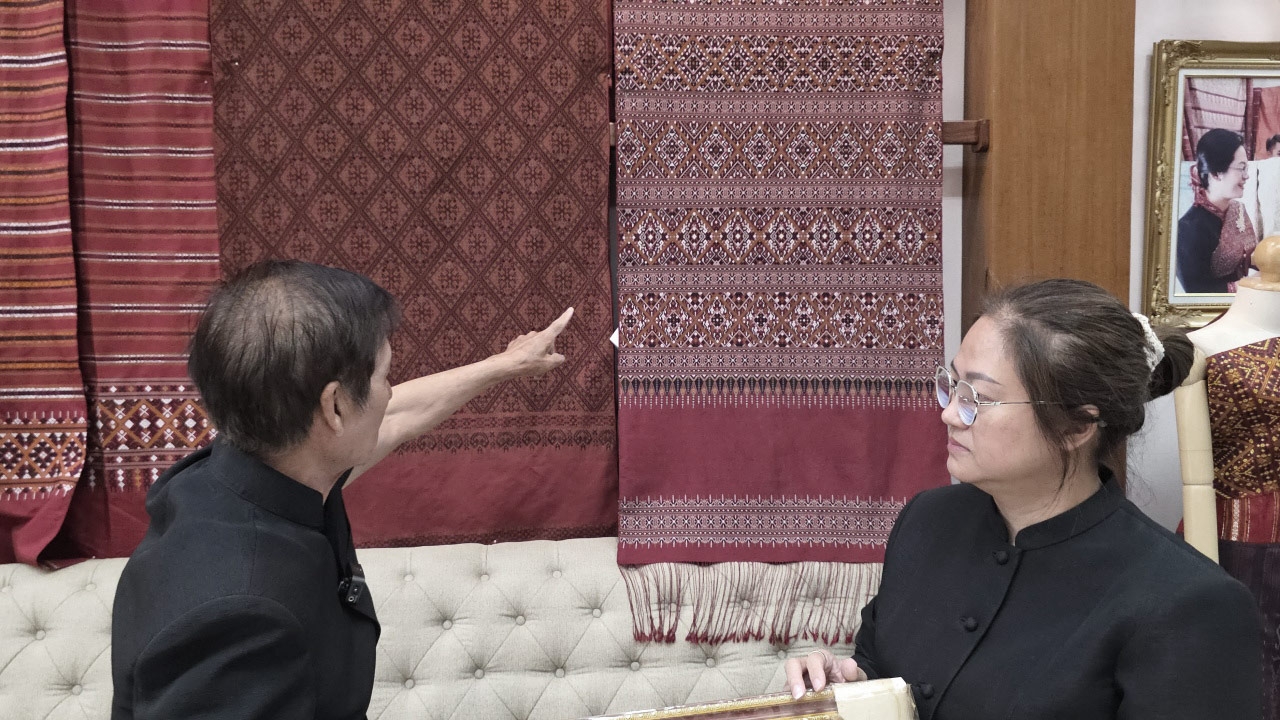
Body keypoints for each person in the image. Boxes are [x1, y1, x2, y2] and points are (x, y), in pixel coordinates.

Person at [110, 260, 574, 720]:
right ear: (333, 407)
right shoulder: (239, 616)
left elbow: (392, 418)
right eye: (384, 377)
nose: (391, 392)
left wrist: (504, 366)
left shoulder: (247, 473)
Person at [784, 279, 1262, 719]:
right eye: (952, 384)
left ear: (1077, 425)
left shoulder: (1189, 603)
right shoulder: (928, 520)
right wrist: (852, 682)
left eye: (979, 397)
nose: (950, 413)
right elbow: (879, 663)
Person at [1177, 128, 1251, 293]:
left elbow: (1252, 255)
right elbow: (1195, 293)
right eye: (1241, 168)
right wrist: (1245, 286)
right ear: (1216, 173)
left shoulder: (1237, 210)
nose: (1247, 176)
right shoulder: (1187, 229)